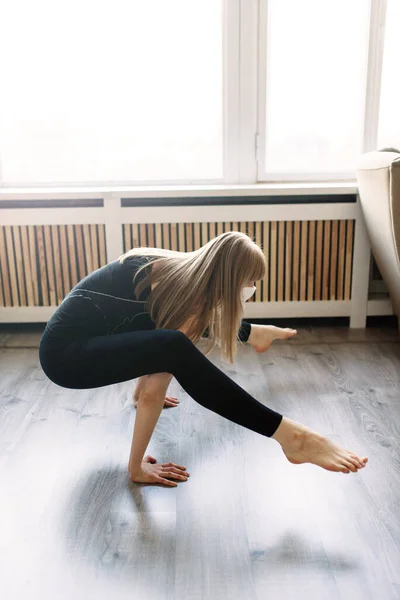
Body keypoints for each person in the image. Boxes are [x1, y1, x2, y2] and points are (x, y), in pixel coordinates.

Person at [39, 231, 368, 487]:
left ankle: (256, 334)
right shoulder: (187, 299)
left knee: (171, 341)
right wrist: (136, 466)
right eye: (250, 282)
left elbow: (144, 335)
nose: (253, 288)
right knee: (175, 343)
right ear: (228, 281)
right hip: (65, 359)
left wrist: (139, 393)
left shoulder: (171, 273)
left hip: (73, 347)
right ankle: (291, 436)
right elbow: (156, 376)